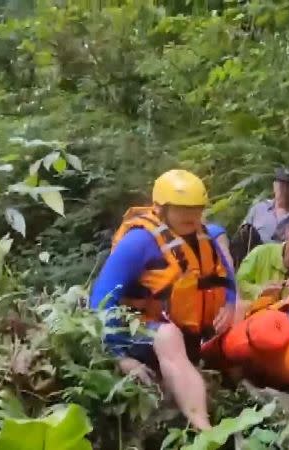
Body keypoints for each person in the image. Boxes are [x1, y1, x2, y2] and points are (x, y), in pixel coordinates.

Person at [89, 169, 237, 432]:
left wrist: (229, 304)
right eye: (181, 209)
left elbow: (226, 278)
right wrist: (119, 356)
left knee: (241, 313)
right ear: (161, 208)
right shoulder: (139, 242)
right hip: (135, 328)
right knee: (168, 335)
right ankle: (203, 427)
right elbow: (101, 300)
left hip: (185, 327)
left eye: (196, 208)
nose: (191, 215)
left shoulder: (204, 236)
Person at [235, 210, 289, 314]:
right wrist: (260, 291)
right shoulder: (261, 254)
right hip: (257, 318)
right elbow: (239, 282)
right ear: (288, 231)